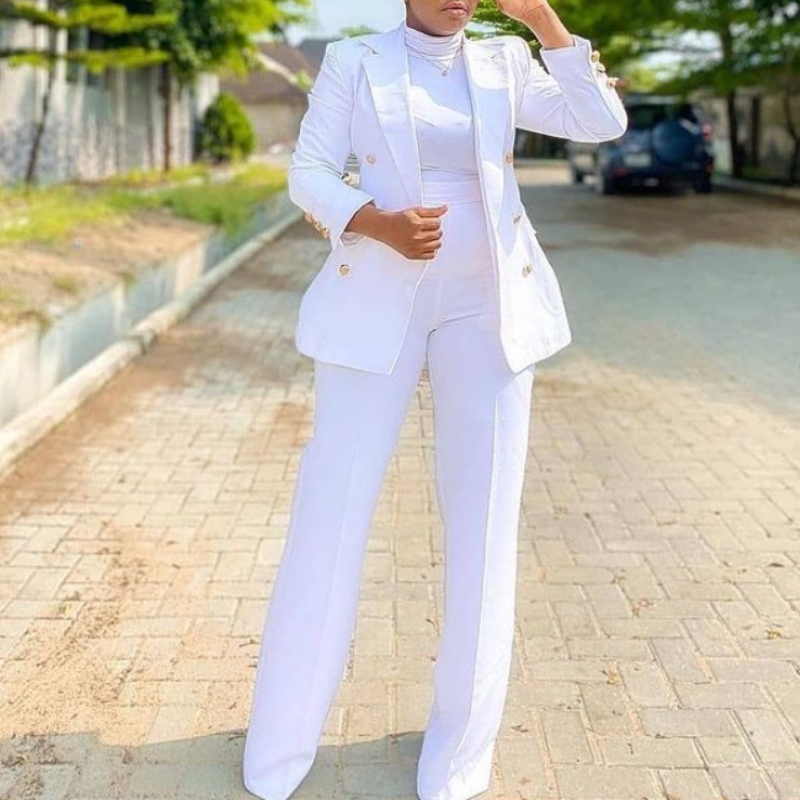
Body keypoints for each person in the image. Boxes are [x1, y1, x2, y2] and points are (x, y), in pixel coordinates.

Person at [242, 2, 627, 799]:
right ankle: (281, 745)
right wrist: (372, 221)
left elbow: (600, 122)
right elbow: (308, 170)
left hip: (490, 308)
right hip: (376, 297)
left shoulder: (503, 59)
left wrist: (544, 22)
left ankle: (458, 755)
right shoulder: (355, 60)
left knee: (485, 526)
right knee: (331, 512)